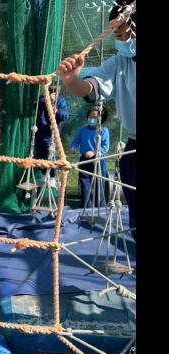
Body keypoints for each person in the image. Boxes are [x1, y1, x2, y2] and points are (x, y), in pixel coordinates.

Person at [58, 0, 135, 239]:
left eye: (123, 28)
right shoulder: (120, 62)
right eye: (115, 30)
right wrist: (71, 80)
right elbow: (90, 89)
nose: (119, 35)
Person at [69, 106, 110, 208]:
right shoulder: (82, 130)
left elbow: (105, 147)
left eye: (95, 117)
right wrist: (73, 148)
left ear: (101, 119)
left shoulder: (104, 131)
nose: (92, 119)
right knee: (85, 185)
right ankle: (86, 208)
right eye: (90, 116)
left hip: (98, 161)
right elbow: (75, 141)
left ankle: (101, 208)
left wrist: (94, 152)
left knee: (99, 186)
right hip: (84, 161)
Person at [33, 84, 69, 178]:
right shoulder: (41, 99)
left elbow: (65, 115)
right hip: (39, 132)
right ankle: (44, 175)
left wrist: (56, 110)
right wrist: (46, 100)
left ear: (58, 93)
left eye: (55, 92)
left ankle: (52, 177)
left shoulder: (61, 101)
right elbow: (35, 106)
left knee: (50, 155)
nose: (53, 94)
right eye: (50, 92)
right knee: (39, 156)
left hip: (51, 134)